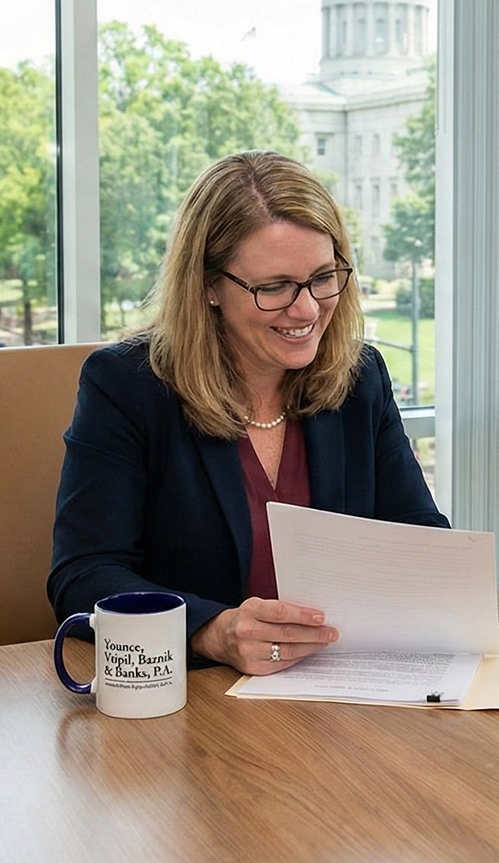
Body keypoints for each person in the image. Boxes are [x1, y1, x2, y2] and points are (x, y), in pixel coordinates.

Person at [49, 150, 447, 675]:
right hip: (196, 705)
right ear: (210, 285)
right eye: (274, 287)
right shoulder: (127, 386)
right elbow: (84, 574)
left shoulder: (359, 377)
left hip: (344, 692)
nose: (305, 309)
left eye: (323, 277)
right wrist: (212, 631)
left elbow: (417, 536)